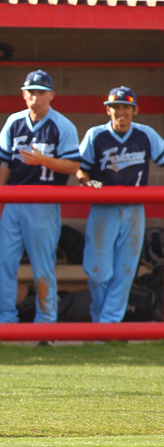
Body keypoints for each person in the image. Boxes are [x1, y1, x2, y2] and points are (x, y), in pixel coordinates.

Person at [0, 70, 80, 324]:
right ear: (23, 94)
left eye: (41, 92)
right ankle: (5, 320)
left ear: (51, 95)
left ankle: (46, 323)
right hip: (14, 198)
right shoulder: (14, 121)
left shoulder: (62, 125)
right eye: (31, 92)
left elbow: (73, 166)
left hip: (44, 199)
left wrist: (44, 160)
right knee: (4, 261)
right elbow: (4, 161)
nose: (36, 97)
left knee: (42, 265)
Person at [77, 87, 164, 323]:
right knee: (98, 273)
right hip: (104, 208)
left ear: (135, 110)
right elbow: (80, 168)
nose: (120, 112)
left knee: (125, 271)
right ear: (108, 110)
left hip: (134, 209)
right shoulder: (96, 135)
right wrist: (86, 181)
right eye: (115, 107)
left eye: (125, 107)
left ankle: (110, 325)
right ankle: (100, 320)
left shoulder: (145, 134)